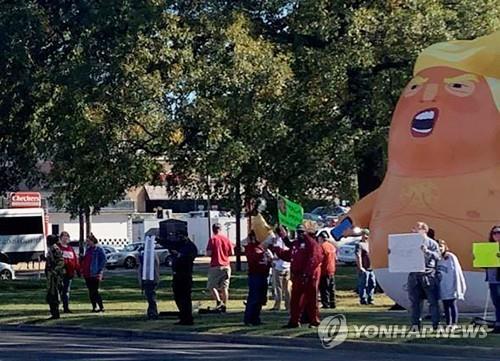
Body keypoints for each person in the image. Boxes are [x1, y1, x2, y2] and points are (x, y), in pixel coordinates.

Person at [271, 224, 323, 328]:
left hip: (309, 277)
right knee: (295, 300)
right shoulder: (296, 244)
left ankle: (314, 321)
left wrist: (307, 273)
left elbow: (315, 259)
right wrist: (276, 249)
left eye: (302, 232)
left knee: (311, 299)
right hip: (298, 276)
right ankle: (294, 321)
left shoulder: (312, 244)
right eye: (298, 232)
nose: (300, 234)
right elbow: (288, 255)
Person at [408, 222, 441, 330]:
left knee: (432, 301)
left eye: (416, 228)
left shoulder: (432, 243)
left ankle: (436, 324)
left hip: (428, 275)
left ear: (424, 230)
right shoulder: (409, 243)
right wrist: (393, 253)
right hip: (414, 275)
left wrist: (427, 251)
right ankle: (415, 325)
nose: (413, 230)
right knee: (415, 302)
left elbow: (438, 256)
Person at [244, 231, 272, 326]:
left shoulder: (261, 248)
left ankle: (256, 318)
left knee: (260, 299)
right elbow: (255, 260)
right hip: (256, 276)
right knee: (254, 298)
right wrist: (266, 259)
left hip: (263, 275)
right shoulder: (251, 248)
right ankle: (249, 319)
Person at [436, 239, 466, 328]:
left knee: (452, 304)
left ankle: (454, 323)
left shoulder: (450, 257)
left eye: (441, 246)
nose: (439, 249)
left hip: (451, 284)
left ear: (445, 247)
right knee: (445, 305)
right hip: (442, 285)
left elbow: (456, 271)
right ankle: (448, 323)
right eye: (437, 247)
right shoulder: (437, 258)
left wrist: (457, 285)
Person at [171, 232, 198, 325]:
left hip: (185, 275)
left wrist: (179, 255)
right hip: (177, 275)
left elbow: (189, 258)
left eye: (181, 236)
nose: (179, 238)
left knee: (185, 298)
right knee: (177, 297)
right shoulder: (180, 245)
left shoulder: (190, 247)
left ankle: (187, 318)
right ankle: (183, 316)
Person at [206, 223, 234, 312]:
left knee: (211, 286)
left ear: (213, 229)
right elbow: (231, 253)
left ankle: (218, 302)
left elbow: (209, 253)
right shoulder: (226, 239)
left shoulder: (213, 239)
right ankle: (224, 305)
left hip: (216, 265)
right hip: (226, 265)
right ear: (220, 229)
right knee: (224, 287)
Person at [80, 233, 107, 312]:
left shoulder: (98, 249)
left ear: (92, 240)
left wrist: (99, 270)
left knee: (95, 290)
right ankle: (94, 306)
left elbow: (104, 260)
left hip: (95, 273)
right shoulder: (88, 249)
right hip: (87, 273)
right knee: (90, 291)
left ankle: (101, 306)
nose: (87, 242)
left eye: (88, 241)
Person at [138, 236, 160, 320]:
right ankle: (151, 311)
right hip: (147, 278)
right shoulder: (147, 255)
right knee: (149, 296)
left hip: (151, 279)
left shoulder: (152, 255)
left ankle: (153, 313)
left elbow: (154, 266)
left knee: (151, 296)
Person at [271, 226, 291, 311]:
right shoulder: (289, 241)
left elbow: (278, 255)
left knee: (278, 288)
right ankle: (288, 305)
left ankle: (277, 305)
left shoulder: (277, 241)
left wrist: (272, 258)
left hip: (279, 267)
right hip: (287, 267)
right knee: (287, 288)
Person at [59, 231, 79, 313]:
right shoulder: (58, 248)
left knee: (66, 291)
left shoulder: (70, 249)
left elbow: (75, 260)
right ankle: (57, 305)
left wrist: (77, 270)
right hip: (60, 273)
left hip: (69, 274)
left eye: (67, 237)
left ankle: (66, 307)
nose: (66, 238)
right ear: (61, 238)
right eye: (64, 237)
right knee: (60, 290)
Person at [45, 234, 65, 319]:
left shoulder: (55, 249)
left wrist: (54, 271)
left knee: (54, 294)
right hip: (51, 276)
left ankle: (56, 313)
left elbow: (61, 262)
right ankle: (53, 313)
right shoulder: (51, 249)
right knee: (50, 295)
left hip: (55, 277)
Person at [355, 229, 375, 305]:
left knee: (372, 283)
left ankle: (370, 298)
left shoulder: (370, 244)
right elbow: (358, 256)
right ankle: (363, 299)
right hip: (364, 268)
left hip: (371, 268)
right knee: (363, 284)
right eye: (364, 234)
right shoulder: (359, 245)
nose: (365, 236)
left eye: (367, 234)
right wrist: (360, 267)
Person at [486, 225, 500, 333]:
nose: (496, 235)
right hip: (492, 279)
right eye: (494, 233)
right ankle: (498, 324)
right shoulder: (488, 247)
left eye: (498, 232)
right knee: (496, 303)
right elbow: (484, 264)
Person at [318, 231, 337, 309]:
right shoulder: (332, 246)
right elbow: (336, 258)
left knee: (324, 288)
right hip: (332, 270)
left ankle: (326, 304)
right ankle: (333, 303)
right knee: (331, 288)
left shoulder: (321, 247)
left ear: (321, 238)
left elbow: (319, 259)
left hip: (324, 270)